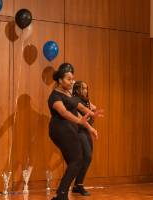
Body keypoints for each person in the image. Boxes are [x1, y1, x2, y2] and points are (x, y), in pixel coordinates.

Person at [48, 63, 99, 200]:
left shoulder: (67, 94)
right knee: (77, 160)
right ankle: (61, 195)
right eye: (68, 79)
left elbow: (80, 108)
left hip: (68, 129)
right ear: (59, 80)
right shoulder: (55, 96)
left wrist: (91, 124)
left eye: (72, 79)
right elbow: (63, 112)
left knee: (75, 162)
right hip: (60, 130)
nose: (72, 82)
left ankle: (61, 194)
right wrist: (80, 122)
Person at [72, 80, 103, 196]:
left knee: (87, 158)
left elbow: (93, 108)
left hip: (86, 131)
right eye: (82, 88)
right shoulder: (75, 101)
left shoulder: (86, 101)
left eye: (86, 88)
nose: (85, 90)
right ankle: (79, 185)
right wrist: (91, 127)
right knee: (87, 156)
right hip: (79, 131)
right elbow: (84, 115)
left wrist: (93, 110)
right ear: (76, 89)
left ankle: (77, 185)